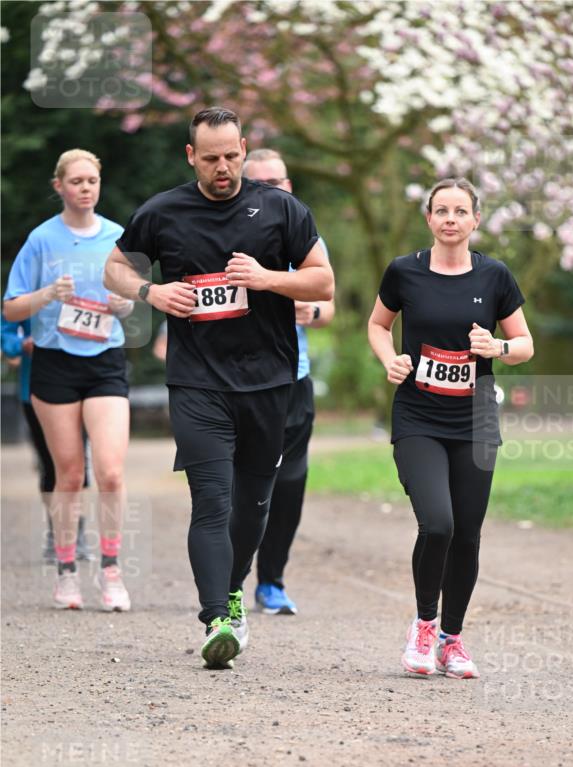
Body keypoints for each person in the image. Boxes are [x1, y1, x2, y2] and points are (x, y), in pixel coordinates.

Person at [104, 107, 334, 668]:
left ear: (243, 147)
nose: (224, 167)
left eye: (232, 155)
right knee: (212, 500)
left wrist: (266, 278)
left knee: (253, 506)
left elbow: (322, 279)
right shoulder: (162, 212)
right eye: (211, 159)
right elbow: (114, 267)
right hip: (198, 381)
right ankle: (216, 619)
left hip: (268, 382)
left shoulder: (280, 208)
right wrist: (152, 294)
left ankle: (234, 589)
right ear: (192, 157)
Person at [368, 178, 534, 679]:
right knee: (437, 523)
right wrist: (390, 360)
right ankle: (423, 626)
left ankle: (452, 640)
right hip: (419, 414)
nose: (450, 219)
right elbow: (378, 325)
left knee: (467, 534)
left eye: (460, 211)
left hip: (476, 417)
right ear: (429, 219)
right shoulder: (404, 272)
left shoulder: (494, 276)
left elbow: (525, 343)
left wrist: (497, 350)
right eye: (441, 210)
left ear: (475, 220)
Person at [3, 149, 134, 611]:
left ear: (100, 184)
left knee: (112, 473)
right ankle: (66, 571)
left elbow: (134, 297)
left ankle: (113, 570)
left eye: (92, 180)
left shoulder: (119, 235)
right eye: (76, 181)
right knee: (70, 474)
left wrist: (124, 305)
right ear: (59, 186)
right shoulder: (41, 240)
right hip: (56, 364)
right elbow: (11, 308)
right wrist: (46, 294)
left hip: (105, 361)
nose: (85, 188)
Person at [242, 149, 335, 615]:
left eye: (275, 182)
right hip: (240, 384)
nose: (268, 191)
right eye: (257, 183)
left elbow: (328, 301)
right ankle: (229, 579)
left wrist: (310, 310)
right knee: (243, 485)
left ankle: (271, 580)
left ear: (290, 185)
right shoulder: (227, 232)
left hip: (293, 379)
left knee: (290, 482)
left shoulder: (303, 231)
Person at [1, 316, 94, 563]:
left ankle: (78, 531)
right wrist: (22, 344)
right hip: (36, 389)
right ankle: (56, 532)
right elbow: (6, 334)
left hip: (82, 386)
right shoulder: (28, 287)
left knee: (78, 464)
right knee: (50, 465)